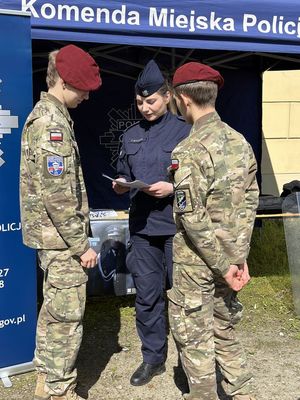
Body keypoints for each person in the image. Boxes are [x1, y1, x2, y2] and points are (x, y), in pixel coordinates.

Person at [167, 62, 259, 400]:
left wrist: (224, 263)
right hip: (229, 257)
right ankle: (242, 392)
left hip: (198, 262)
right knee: (224, 328)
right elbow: (250, 203)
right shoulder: (240, 142)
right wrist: (239, 255)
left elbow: (191, 217)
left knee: (194, 337)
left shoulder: (188, 150)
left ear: (182, 99)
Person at [19, 44, 102, 400]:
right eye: (83, 88)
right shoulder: (52, 123)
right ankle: (59, 390)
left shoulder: (48, 116)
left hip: (53, 238)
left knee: (55, 311)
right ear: (65, 82)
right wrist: (81, 245)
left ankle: (46, 375)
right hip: (62, 240)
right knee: (67, 318)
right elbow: (58, 195)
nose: (86, 96)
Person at [113, 59, 191, 386]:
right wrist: (120, 183)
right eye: (140, 102)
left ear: (167, 95)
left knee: (185, 298)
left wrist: (174, 187)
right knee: (147, 296)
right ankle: (153, 358)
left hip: (177, 228)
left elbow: (202, 181)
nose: (145, 107)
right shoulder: (130, 135)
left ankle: (191, 365)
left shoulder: (186, 131)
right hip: (143, 228)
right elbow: (124, 173)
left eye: (152, 101)